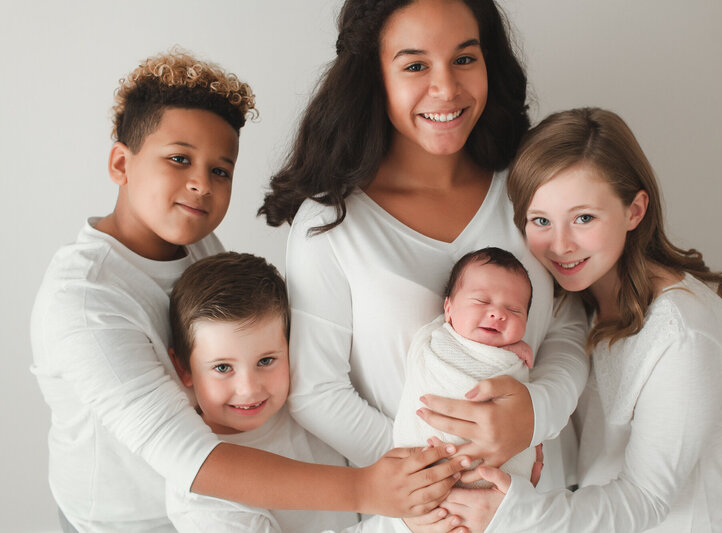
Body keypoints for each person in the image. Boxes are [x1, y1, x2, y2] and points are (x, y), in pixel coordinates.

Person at [30, 49, 464, 533]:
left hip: (217, 506)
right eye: (179, 159)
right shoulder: (86, 302)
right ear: (120, 163)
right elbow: (193, 460)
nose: (200, 185)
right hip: (127, 522)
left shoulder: (195, 245)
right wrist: (367, 488)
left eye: (220, 170)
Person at [260, 1, 590, 528]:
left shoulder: (530, 188)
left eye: (464, 58)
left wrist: (535, 414)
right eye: (415, 65)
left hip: (539, 508)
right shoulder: (331, 224)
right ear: (374, 76)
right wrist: (427, 477)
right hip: (418, 519)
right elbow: (316, 391)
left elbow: (569, 325)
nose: (447, 89)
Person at [454, 106, 722, 532]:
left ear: (634, 211)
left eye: (584, 218)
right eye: (541, 220)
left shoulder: (685, 334)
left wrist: (513, 513)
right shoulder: (577, 304)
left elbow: (646, 498)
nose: (560, 244)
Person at [166, 252, 359, 532]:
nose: (249, 389)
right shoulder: (202, 499)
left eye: (266, 361)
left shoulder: (315, 403)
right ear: (184, 369)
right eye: (222, 368)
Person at [393, 247, 544, 487]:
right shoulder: (436, 343)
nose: (497, 314)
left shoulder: (514, 360)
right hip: (433, 458)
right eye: (482, 301)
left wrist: (506, 352)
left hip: (498, 471)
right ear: (449, 309)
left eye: (514, 310)